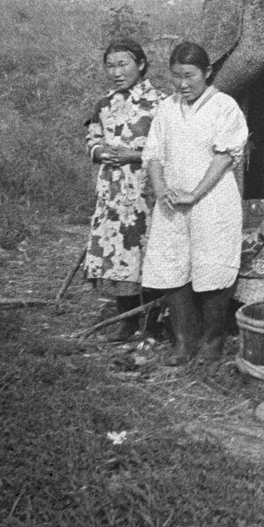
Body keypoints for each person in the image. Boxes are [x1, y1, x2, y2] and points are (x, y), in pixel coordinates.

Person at [142, 41, 249, 365]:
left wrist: (195, 193)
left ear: (207, 73)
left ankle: (211, 341)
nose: (183, 84)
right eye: (176, 76)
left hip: (212, 200)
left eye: (190, 76)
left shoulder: (224, 106)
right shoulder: (167, 107)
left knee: (213, 266)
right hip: (173, 202)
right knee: (172, 267)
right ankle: (183, 342)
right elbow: (154, 153)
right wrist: (161, 189)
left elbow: (224, 156)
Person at [84, 39, 166, 342]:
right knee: (116, 252)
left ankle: (150, 319)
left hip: (144, 189)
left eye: (124, 64)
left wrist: (132, 156)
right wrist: (99, 152)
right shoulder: (105, 103)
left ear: (141, 65)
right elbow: (93, 136)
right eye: (111, 65)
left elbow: (167, 147)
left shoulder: (160, 103)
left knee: (143, 249)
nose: (117, 72)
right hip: (112, 191)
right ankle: (126, 320)